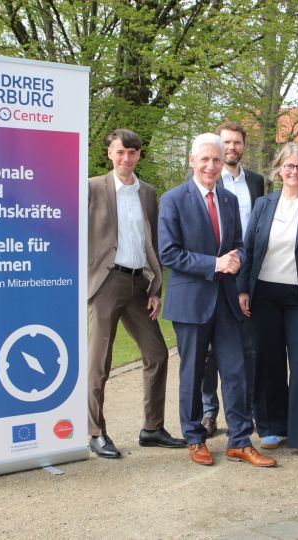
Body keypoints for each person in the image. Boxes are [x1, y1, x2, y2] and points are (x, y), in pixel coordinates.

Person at [158, 133, 276, 467]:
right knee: (193, 373)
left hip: (225, 300)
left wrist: (237, 256)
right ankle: (195, 438)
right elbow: (168, 253)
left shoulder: (226, 199)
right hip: (191, 302)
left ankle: (239, 440)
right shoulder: (173, 199)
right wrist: (214, 263)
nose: (211, 165)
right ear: (192, 160)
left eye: (217, 159)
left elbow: (238, 242)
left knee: (236, 371)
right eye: (205, 159)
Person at [87, 128, 186, 459]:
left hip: (138, 285)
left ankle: (152, 428)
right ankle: (96, 431)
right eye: (119, 152)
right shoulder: (91, 188)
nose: (125, 158)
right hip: (105, 284)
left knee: (157, 354)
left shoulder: (147, 192)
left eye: (132, 153)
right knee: (99, 360)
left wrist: (155, 287)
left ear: (139, 155)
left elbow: (151, 243)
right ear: (110, 154)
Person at [237, 142, 298, 463]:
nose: (294, 171)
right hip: (264, 294)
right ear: (278, 169)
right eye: (288, 166)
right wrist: (243, 289)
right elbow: (249, 249)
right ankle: (272, 425)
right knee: (268, 361)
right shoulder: (263, 204)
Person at [199, 121, 265, 438]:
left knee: (248, 349)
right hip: (213, 274)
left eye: (237, 142)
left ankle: (246, 410)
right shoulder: (205, 180)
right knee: (210, 352)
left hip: (246, 273)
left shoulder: (256, 181)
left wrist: (245, 277)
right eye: (226, 142)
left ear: (243, 146)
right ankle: (209, 412)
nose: (232, 148)